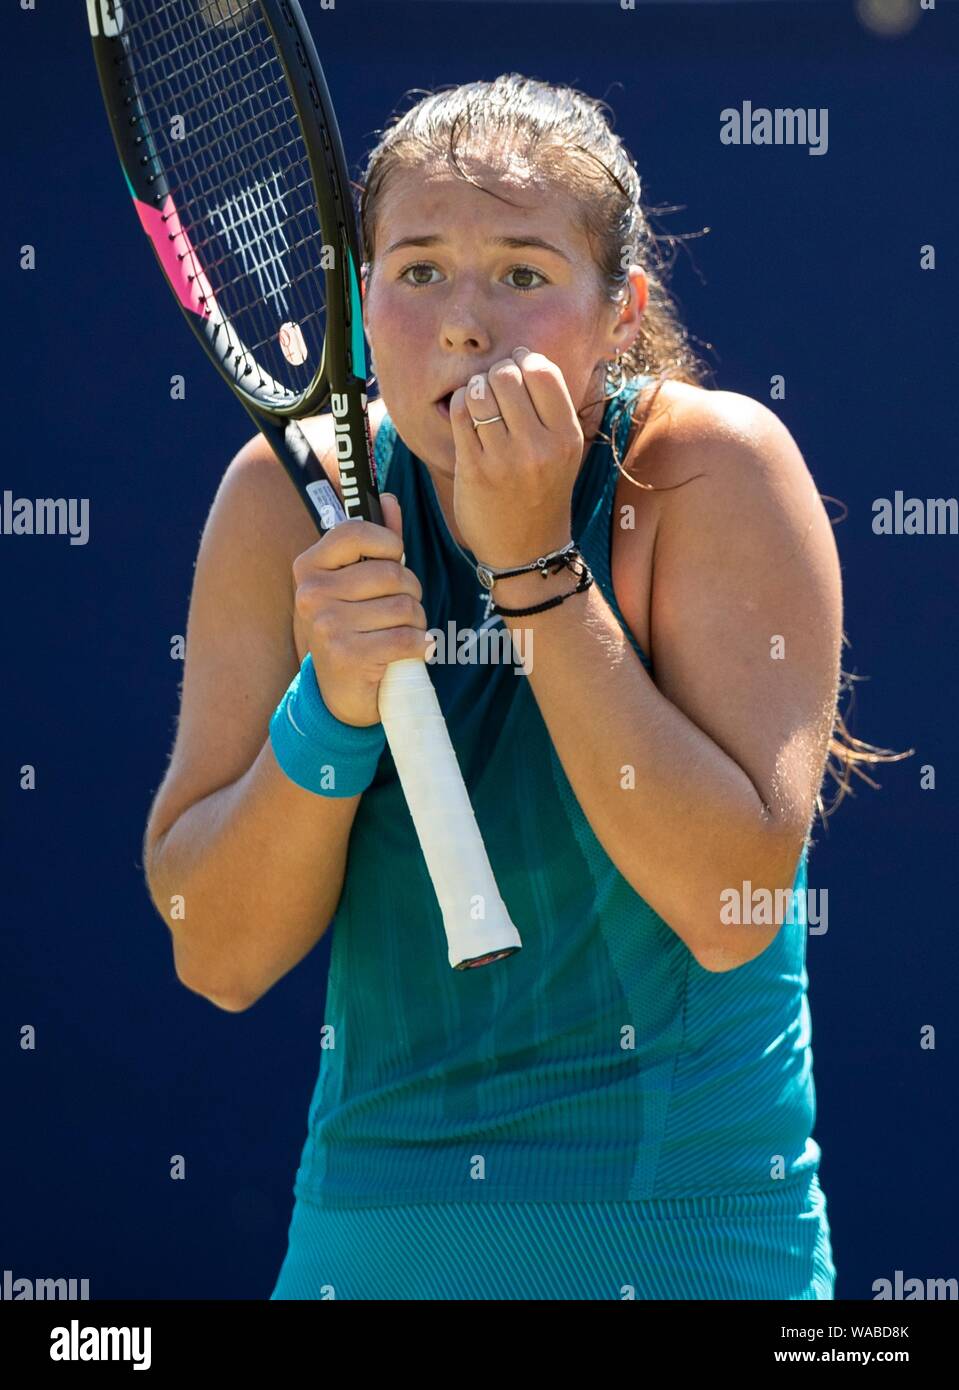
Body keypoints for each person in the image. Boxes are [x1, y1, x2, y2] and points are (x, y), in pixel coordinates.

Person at [143, 75, 897, 1300]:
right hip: (366, 1259)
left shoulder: (714, 472)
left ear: (619, 313)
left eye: (524, 275)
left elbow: (730, 902)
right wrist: (327, 708)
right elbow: (215, 953)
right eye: (420, 268)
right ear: (359, 299)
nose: (462, 322)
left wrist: (533, 567)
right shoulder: (277, 499)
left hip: (693, 1263)